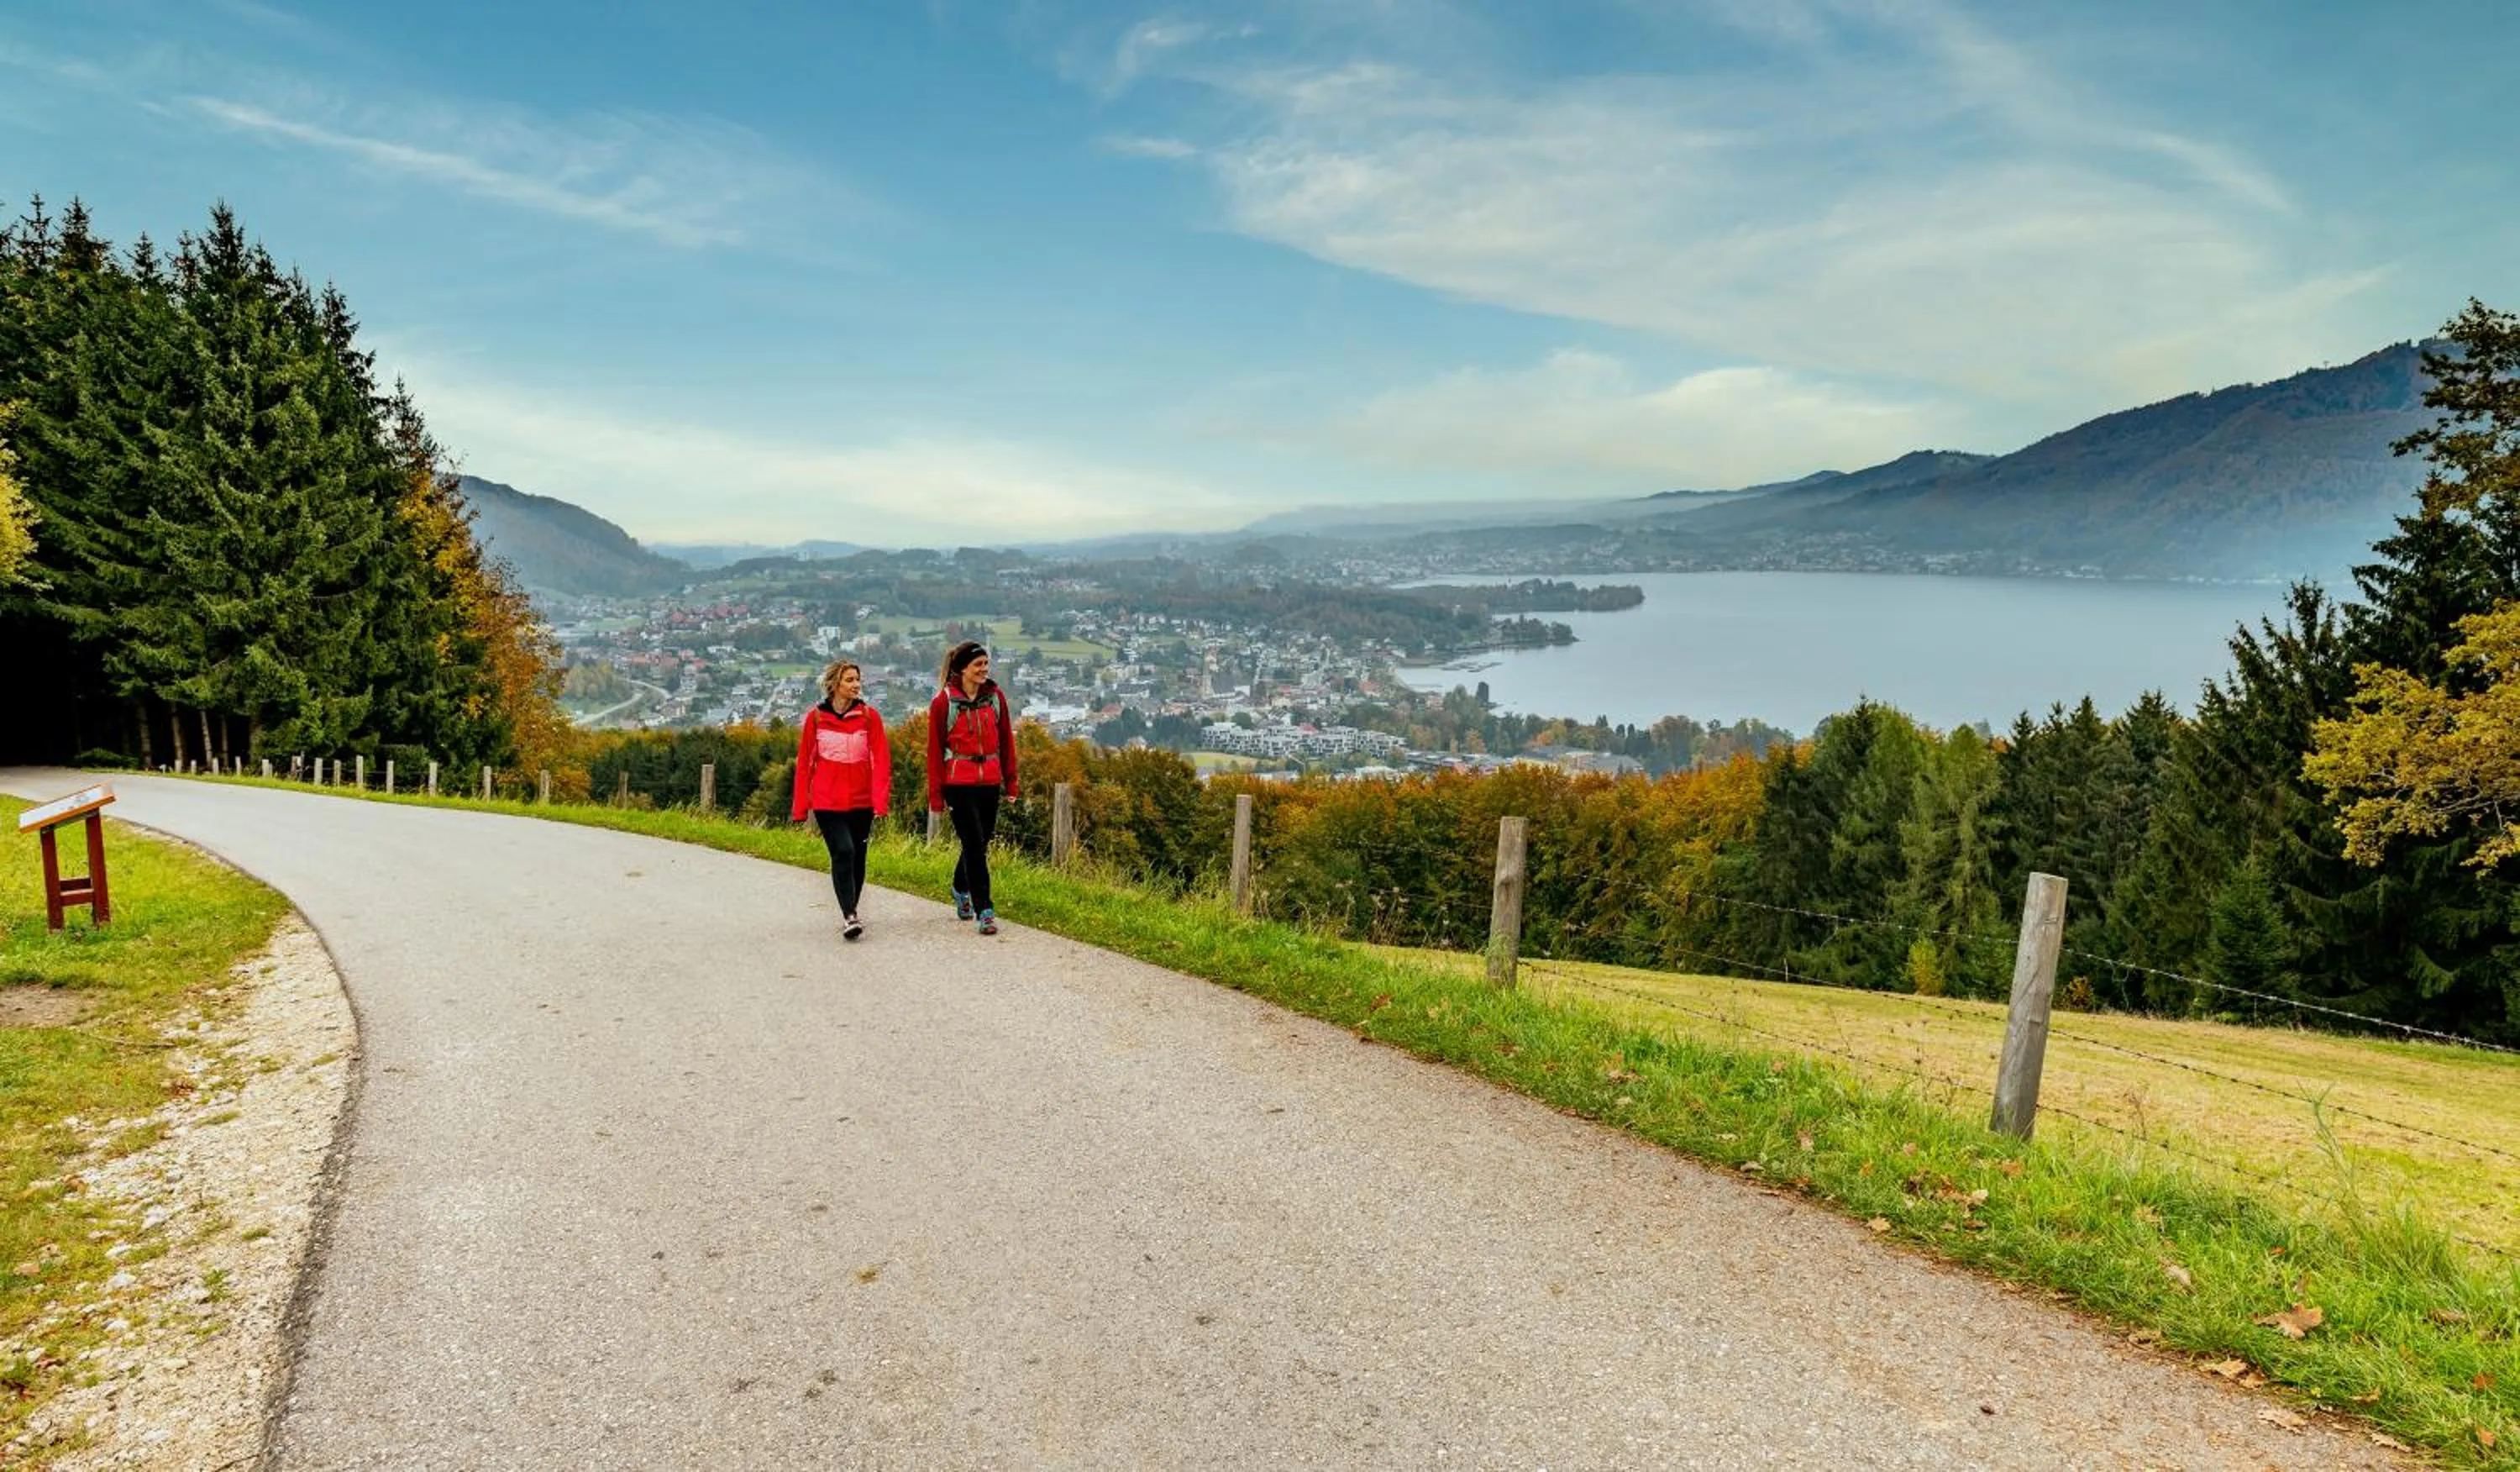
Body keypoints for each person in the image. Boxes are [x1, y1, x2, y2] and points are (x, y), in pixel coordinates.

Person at [790, 660, 891, 940]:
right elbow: (805, 764)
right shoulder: (816, 719)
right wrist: (800, 807)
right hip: (827, 802)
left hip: (862, 802)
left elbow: (881, 761)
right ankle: (849, 915)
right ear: (834, 684)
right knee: (843, 851)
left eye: (858, 680)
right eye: (849, 680)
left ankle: (852, 909)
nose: (856, 685)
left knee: (858, 858)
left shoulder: (870, 718)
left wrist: (880, 801)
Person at [927, 640, 1020, 936]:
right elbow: (933, 752)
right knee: (973, 845)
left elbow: (1006, 740)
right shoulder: (943, 703)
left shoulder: (995, 698)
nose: (984, 669)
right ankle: (986, 911)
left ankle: (959, 886)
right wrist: (936, 796)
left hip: (989, 780)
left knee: (980, 842)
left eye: (986, 664)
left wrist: (1011, 781)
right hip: (958, 782)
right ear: (962, 668)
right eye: (978, 664)